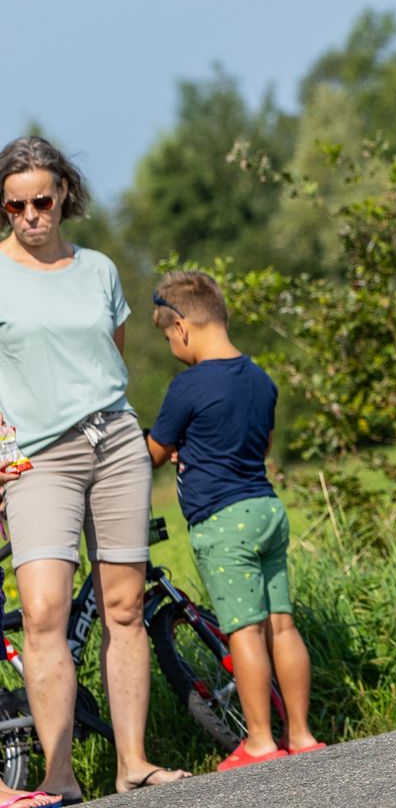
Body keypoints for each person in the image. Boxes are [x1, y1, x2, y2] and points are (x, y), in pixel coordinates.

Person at [0, 137, 191, 802]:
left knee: (125, 607)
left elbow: (113, 357)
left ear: (63, 193)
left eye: (41, 200)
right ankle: (59, 775)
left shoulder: (99, 269)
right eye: (16, 205)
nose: (31, 215)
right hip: (37, 457)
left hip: (113, 443)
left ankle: (132, 763)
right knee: (42, 610)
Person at [145, 269, 323, 771]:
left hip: (223, 522)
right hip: (266, 509)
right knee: (281, 625)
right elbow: (259, 446)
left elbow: (153, 453)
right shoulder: (260, 379)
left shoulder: (188, 385)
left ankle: (261, 741)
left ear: (181, 327)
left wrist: (168, 448)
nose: (171, 347)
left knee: (243, 631)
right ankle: (302, 734)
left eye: (167, 337)